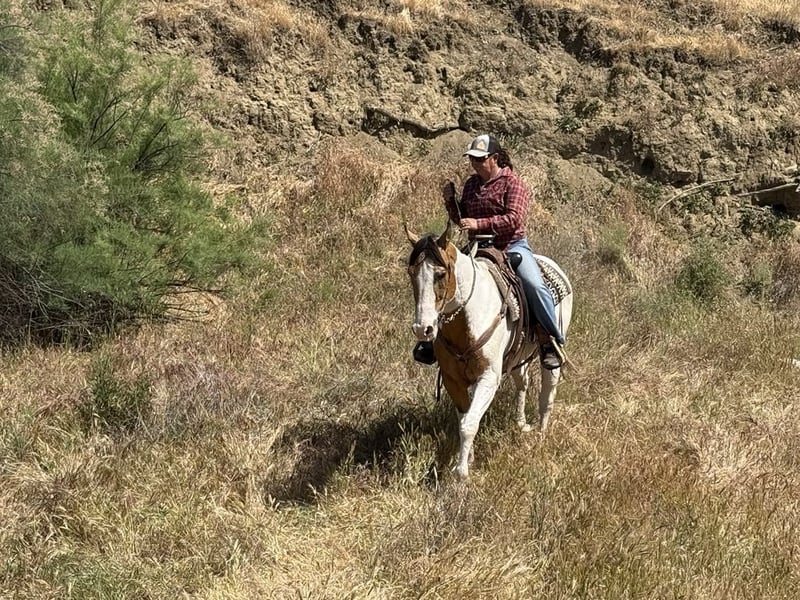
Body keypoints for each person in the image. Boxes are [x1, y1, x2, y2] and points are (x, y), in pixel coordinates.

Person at [413, 133, 566, 370]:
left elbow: (514, 219)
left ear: (494, 158)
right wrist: (451, 203)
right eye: (472, 159)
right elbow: (463, 219)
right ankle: (431, 340)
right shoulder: (472, 184)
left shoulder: (513, 183)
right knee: (444, 279)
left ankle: (550, 340)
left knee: (534, 285)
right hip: (477, 247)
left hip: (510, 246)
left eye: (480, 159)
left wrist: (479, 224)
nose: (475, 163)